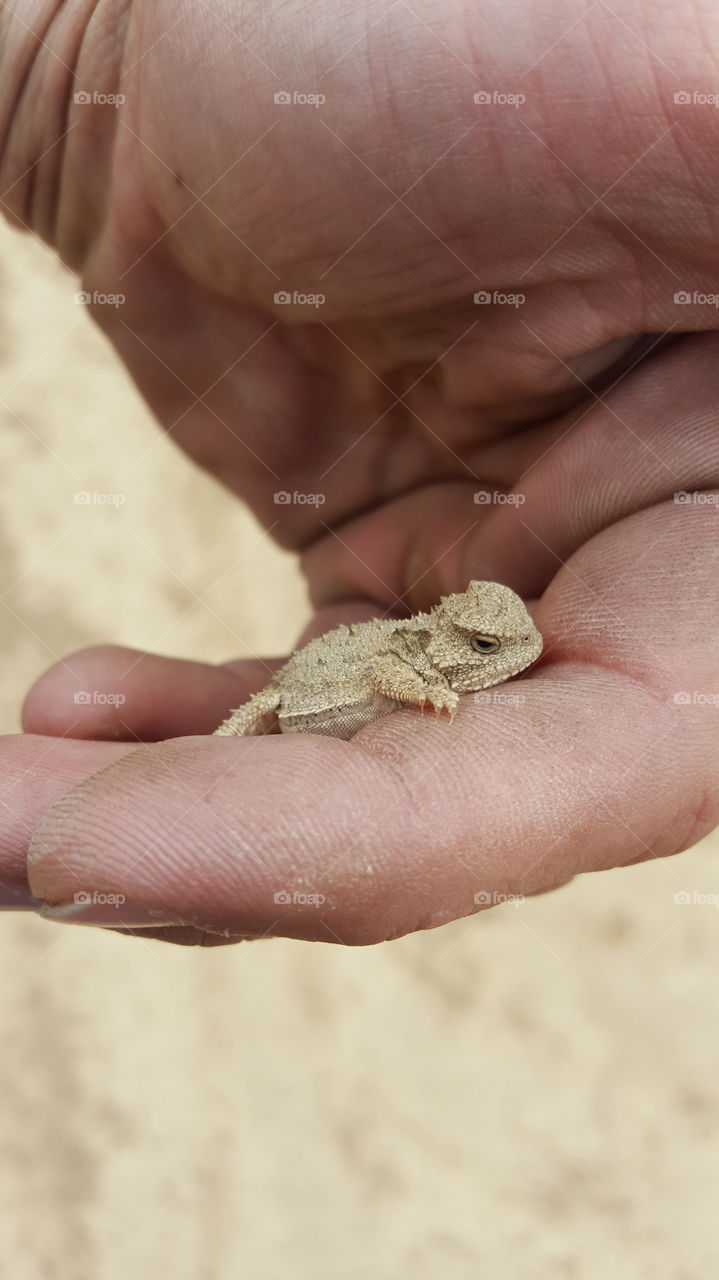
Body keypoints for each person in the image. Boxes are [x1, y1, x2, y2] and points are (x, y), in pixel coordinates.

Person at [1, 0, 716, 945]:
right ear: (447, 643)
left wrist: (73, 67)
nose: (505, 659)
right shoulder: (407, 657)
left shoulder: (447, 637)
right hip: (305, 695)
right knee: (236, 741)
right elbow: (382, 665)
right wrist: (99, 63)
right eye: (480, 652)